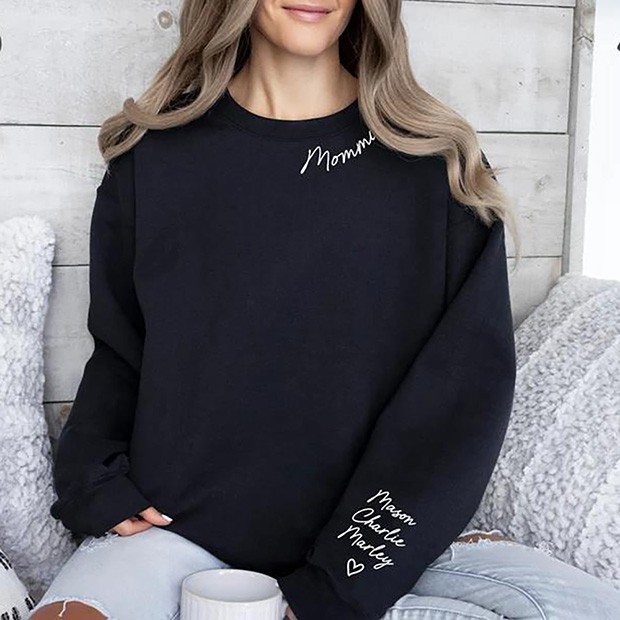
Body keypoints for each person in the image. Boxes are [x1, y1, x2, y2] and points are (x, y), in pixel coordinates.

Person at [29, 1, 620, 619]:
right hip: (178, 532)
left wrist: (336, 585)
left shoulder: (438, 168)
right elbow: (120, 353)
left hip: (381, 550)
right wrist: (92, 480)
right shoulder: (152, 160)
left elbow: (461, 404)